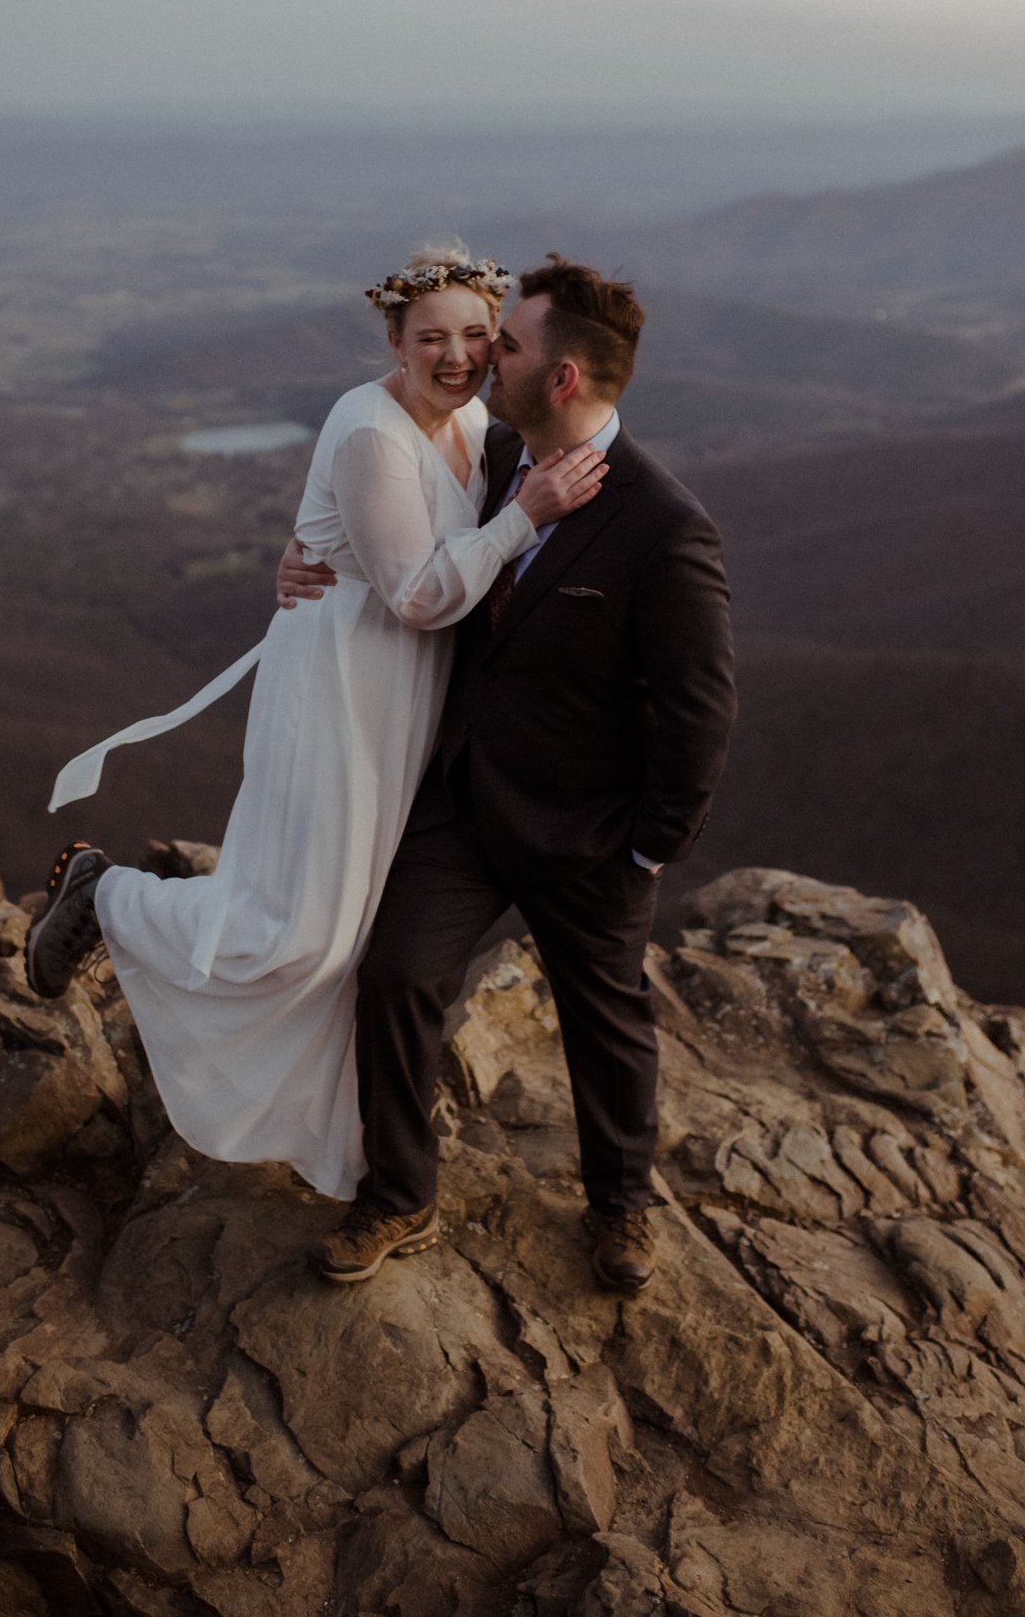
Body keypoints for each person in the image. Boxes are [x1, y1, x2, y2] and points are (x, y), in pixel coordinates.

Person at [24, 244, 606, 1203]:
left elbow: (373, 539)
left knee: (359, 929)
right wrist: (525, 517)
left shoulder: (471, 420)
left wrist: (306, 542)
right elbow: (419, 593)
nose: (456, 356)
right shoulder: (370, 429)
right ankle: (107, 896)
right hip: (338, 690)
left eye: (475, 336)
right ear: (393, 339)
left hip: (405, 700)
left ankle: (348, 1146)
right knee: (297, 935)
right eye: (432, 339)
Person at [278, 255, 737, 1293]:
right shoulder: (492, 456)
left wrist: (650, 845)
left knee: (605, 1016)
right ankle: (400, 1193)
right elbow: (408, 544)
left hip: (591, 831)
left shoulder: (664, 526)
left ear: (563, 377)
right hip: (472, 799)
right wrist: (307, 556)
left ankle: (621, 1207)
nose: (485, 356)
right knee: (396, 975)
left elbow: (702, 712)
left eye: (508, 343)